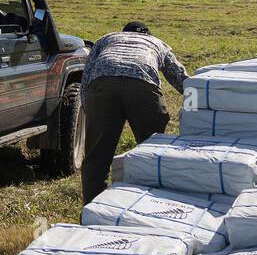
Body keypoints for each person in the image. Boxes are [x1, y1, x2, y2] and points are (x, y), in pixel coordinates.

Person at [79, 21, 188, 203]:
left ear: (123, 33)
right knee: (152, 153)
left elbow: (87, 73)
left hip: (102, 86)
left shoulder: (106, 39)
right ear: (147, 34)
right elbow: (180, 78)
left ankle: (92, 211)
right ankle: (150, 206)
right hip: (142, 86)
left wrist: (87, 107)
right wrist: (201, 104)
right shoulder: (156, 42)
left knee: (97, 157)